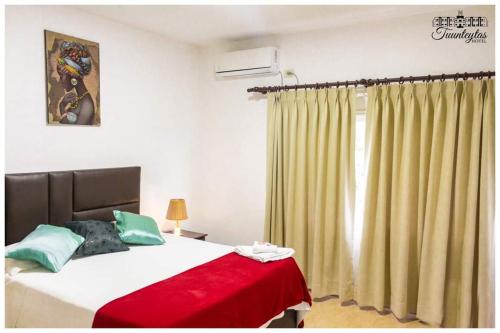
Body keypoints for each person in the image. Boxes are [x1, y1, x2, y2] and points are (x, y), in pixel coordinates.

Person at [56, 41, 95, 125]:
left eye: (62, 76)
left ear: (72, 77)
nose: (60, 80)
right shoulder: (80, 99)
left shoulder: (87, 105)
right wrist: (62, 105)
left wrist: (62, 109)